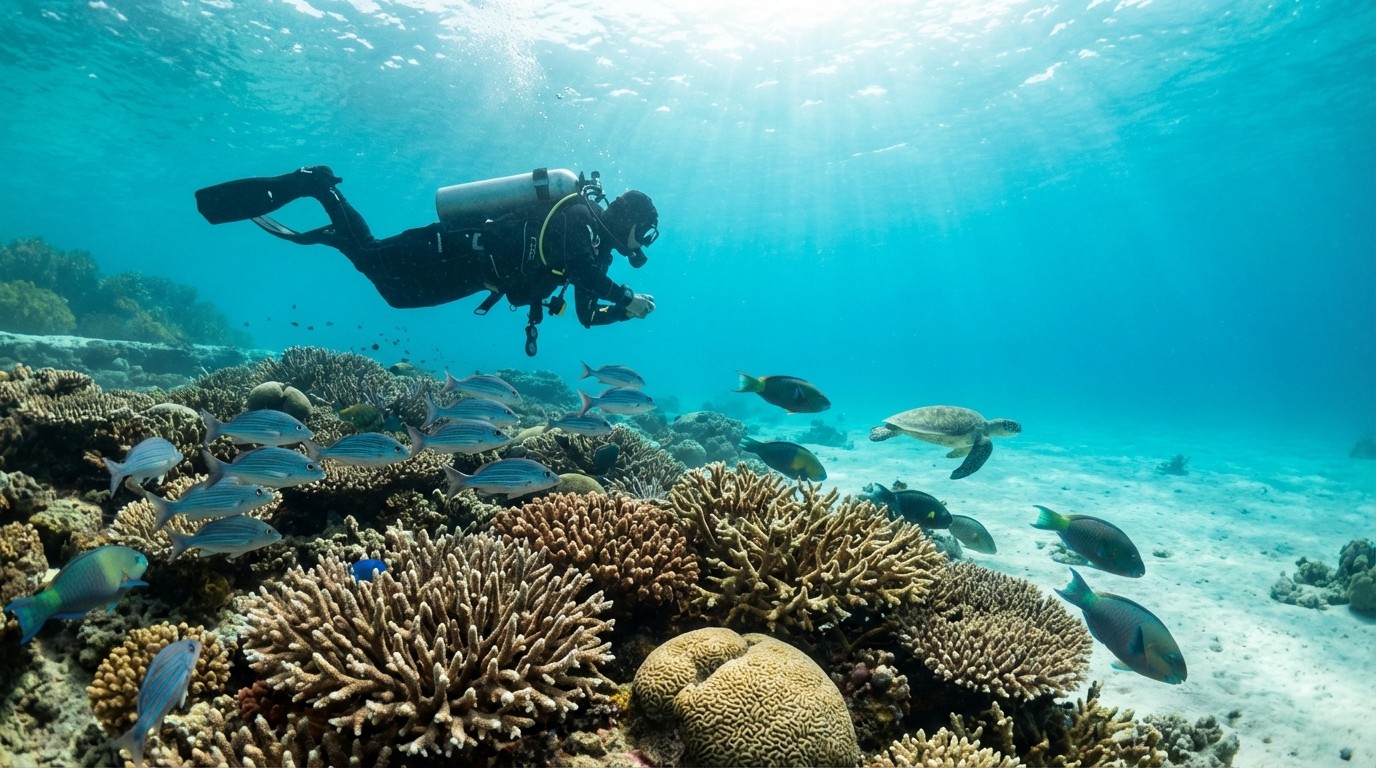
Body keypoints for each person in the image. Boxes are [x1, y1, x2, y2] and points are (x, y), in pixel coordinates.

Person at [194, 166, 658, 355]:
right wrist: (626, 296)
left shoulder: (596, 249)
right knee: (374, 258)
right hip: (455, 247)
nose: (643, 244)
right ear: (631, 219)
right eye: (647, 233)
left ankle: (334, 230)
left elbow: (585, 316)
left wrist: (621, 312)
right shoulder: (577, 218)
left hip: (477, 278)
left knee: (394, 295)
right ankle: (319, 187)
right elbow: (581, 272)